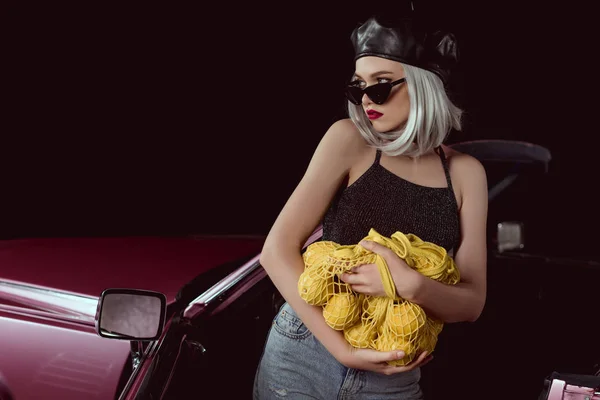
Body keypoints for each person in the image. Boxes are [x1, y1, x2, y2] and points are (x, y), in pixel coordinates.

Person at [254, 13, 488, 400]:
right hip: (306, 351)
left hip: (393, 368)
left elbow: (472, 301)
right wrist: (343, 350)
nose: (365, 99)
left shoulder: (465, 175)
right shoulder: (349, 141)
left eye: (380, 86)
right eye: (359, 86)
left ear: (425, 85)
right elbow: (275, 252)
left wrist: (410, 284)